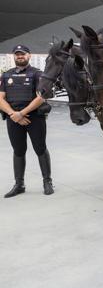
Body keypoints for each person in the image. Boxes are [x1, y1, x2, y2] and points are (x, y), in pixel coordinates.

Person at [0, 45, 54, 196]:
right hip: (13, 119)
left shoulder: (37, 74)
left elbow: (41, 97)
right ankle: (19, 184)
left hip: (34, 118)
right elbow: (0, 98)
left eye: (22, 54)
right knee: (18, 151)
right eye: (17, 54)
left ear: (29, 56)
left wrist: (21, 113)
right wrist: (14, 114)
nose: (20, 56)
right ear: (14, 57)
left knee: (40, 149)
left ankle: (47, 182)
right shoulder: (6, 75)